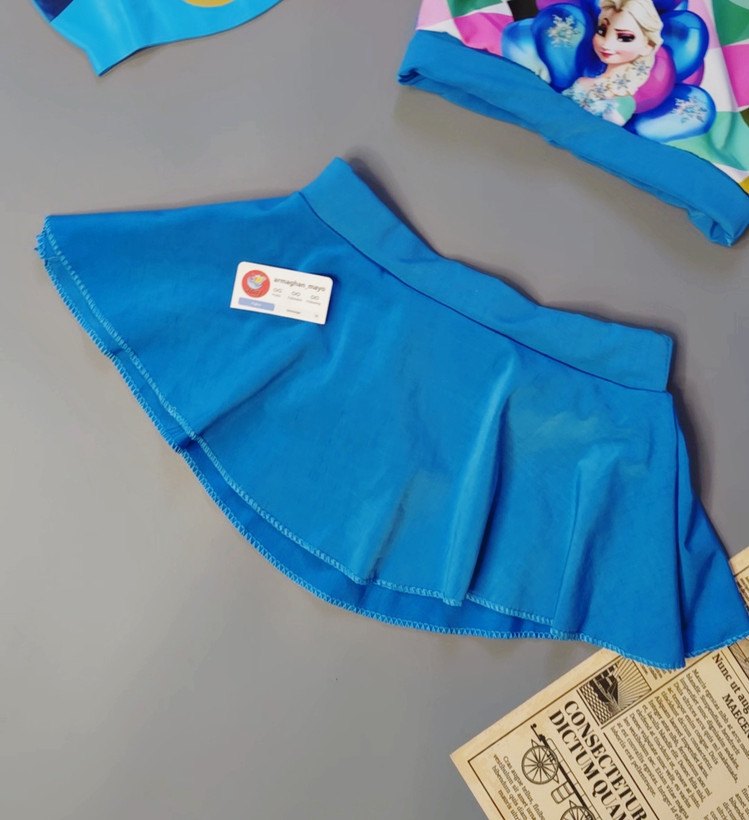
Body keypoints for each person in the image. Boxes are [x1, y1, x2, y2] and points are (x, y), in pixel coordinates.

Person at [562, 0, 663, 125]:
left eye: (624, 38)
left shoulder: (623, 102)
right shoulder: (582, 82)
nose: (606, 44)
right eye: (602, 31)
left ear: (648, 46)